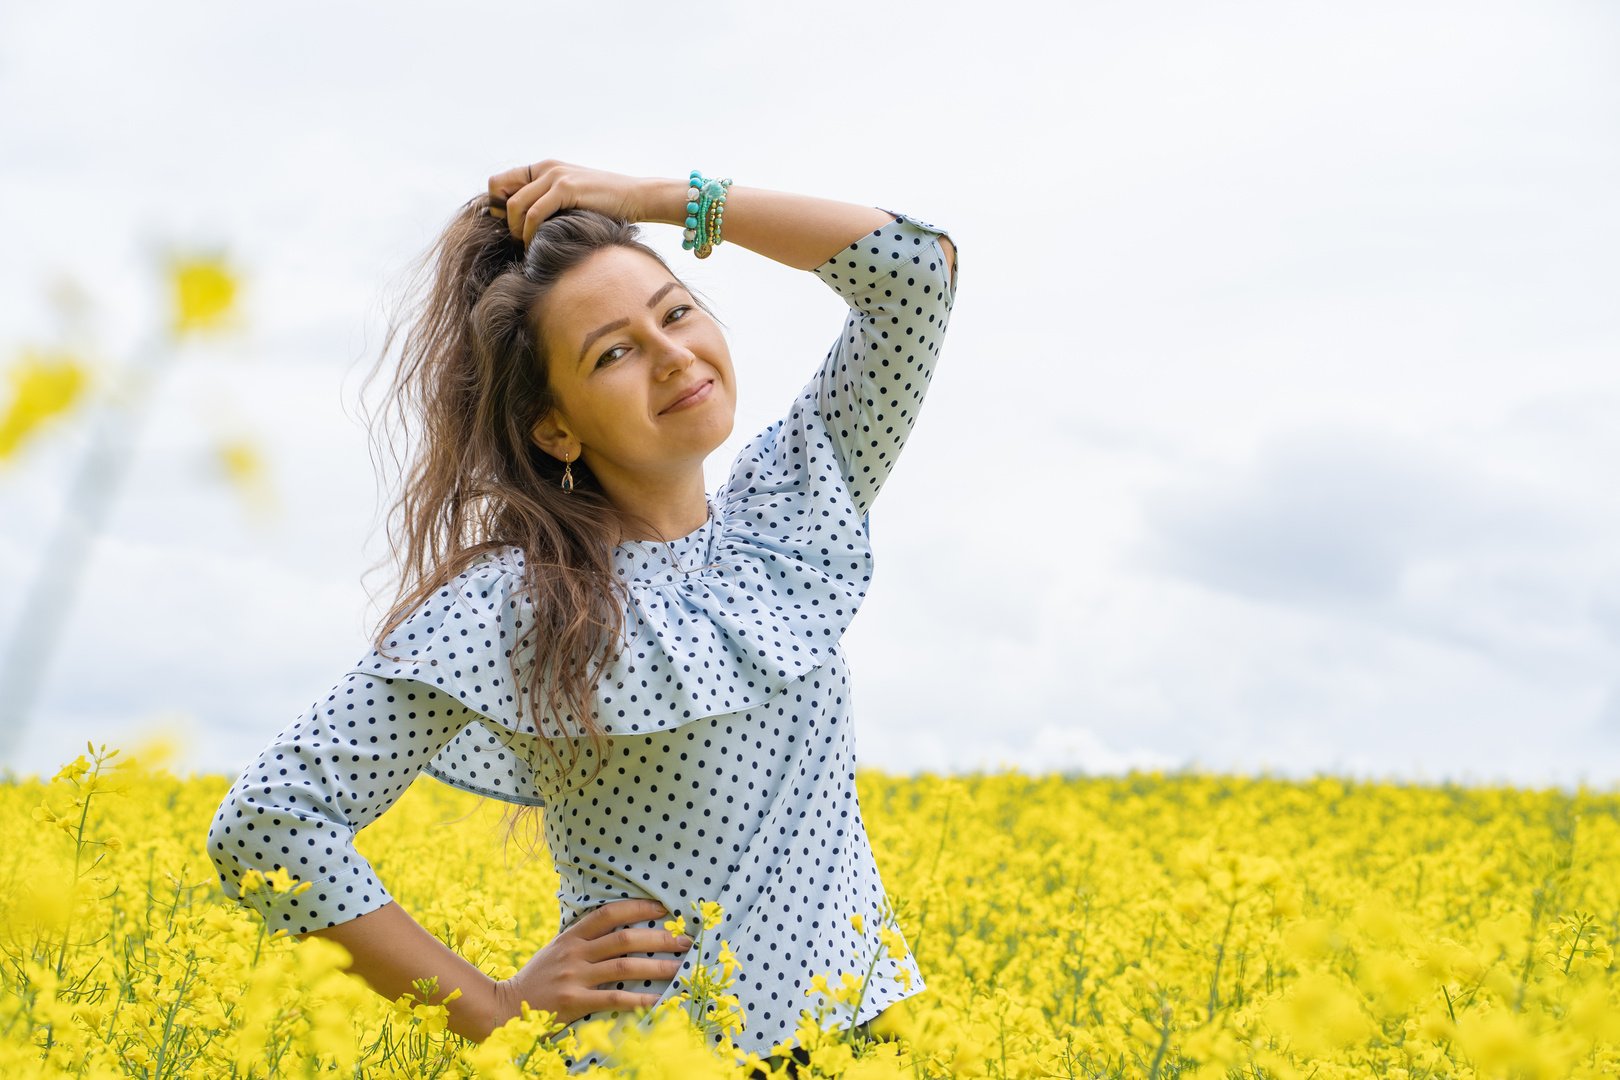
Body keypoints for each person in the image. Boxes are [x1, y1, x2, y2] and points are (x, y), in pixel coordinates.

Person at [205, 161, 957, 1060]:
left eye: (675, 311)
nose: (673, 352)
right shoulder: (520, 604)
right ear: (555, 428)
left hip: (878, 1046)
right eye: (614, 352)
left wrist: (653, 201)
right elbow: (268, 823)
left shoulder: (793, 504)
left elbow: (917, 274)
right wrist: (489, 1008)